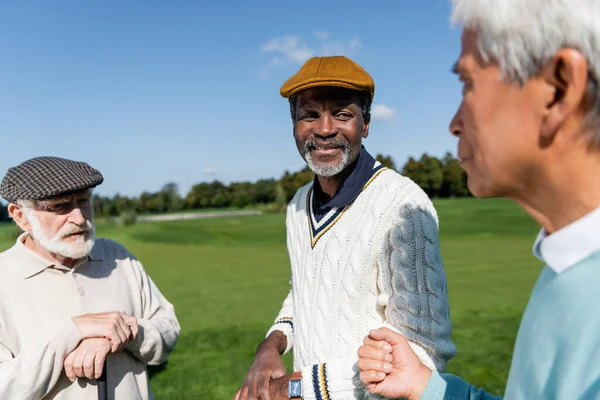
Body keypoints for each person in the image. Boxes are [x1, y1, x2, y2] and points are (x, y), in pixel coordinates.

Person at [357, 0, 600, 399]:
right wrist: (424, 385)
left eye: (468, 83)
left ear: (558, 89)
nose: (454, 123)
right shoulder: (565, 264)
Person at [235, 56, 456, 400]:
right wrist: (272, 344)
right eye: (309, 114)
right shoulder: (298, 203)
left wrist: (296, 389)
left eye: (342, 114)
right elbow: (304, 293)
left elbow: (425, 354)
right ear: (293, 123)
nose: (324, 129)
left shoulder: (403, 206)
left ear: (365, 124)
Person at [0, 156, 180, 399]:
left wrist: (120, 333)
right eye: (59, 206)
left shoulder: (118, 256)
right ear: (20, 216)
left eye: (83, 201)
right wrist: (73, 333)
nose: (79, 218)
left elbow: (167, 331)